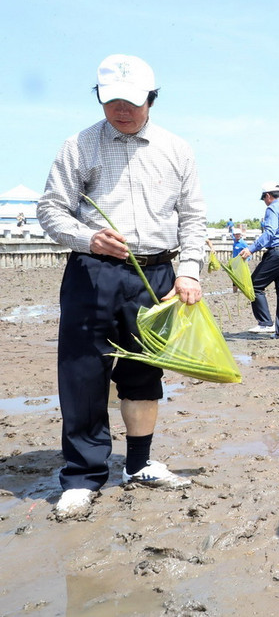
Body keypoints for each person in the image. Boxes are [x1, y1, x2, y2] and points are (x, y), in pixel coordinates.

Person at [37, 54, 206, 519]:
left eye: (131, 102)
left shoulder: (177, 150)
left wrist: (189, 270)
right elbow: (51, 210)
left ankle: (139, 463)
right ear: (99, 98)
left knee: (144, 372)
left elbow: (192, 219)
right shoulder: (79, 145)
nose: (121, 111)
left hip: (156, 275)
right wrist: (87, 237)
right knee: (83, 372)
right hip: (93, 272)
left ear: (152, 99)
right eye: (111, 101)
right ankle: (82, 476)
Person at [239, 182, 279, 339]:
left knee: (254, 285)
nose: (265, 202)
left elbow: (270, 233)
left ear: (268, 196)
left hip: (278, 252)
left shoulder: (272, 208)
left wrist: (251, 249)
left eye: (264, 199)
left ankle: (265, 323)